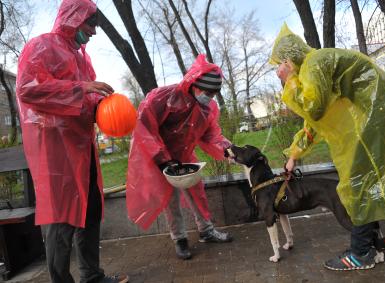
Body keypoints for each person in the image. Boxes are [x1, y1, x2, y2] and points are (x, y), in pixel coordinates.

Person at [270, 23, 385, 271]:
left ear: (289, 60)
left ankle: (362, 251)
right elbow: (315, 122)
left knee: (357, 183)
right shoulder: (316, 67)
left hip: (379, 118)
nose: (278, 70)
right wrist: (294, 154)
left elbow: (314, 109)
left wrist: (290, 81)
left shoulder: (313, 64)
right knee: (377, 180)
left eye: (279, 63)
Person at [16, 1, 128, 282]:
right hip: (55, 152)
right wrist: (81, 87)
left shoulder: (81, 59)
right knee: (61, 220)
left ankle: (92, 276)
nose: (94, 32)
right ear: (74, 18)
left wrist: (104, 108)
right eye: (91, 24)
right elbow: (28, 89)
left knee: (90, 213)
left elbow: (84, 101)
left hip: (83, 149)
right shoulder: (41, 46)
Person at [127, 54, 233, 260]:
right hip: (161, 159)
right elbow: (144, 128)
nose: (210, 97)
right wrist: (163, 159)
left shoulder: (207, 108)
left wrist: (229, 149)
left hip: (185, 155)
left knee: (197, 192)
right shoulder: (163, 97)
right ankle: (180, 239)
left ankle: (206, 230)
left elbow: (211, 135)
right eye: (207, 92)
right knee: (171, 200)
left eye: (214, 93)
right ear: (194, 84)